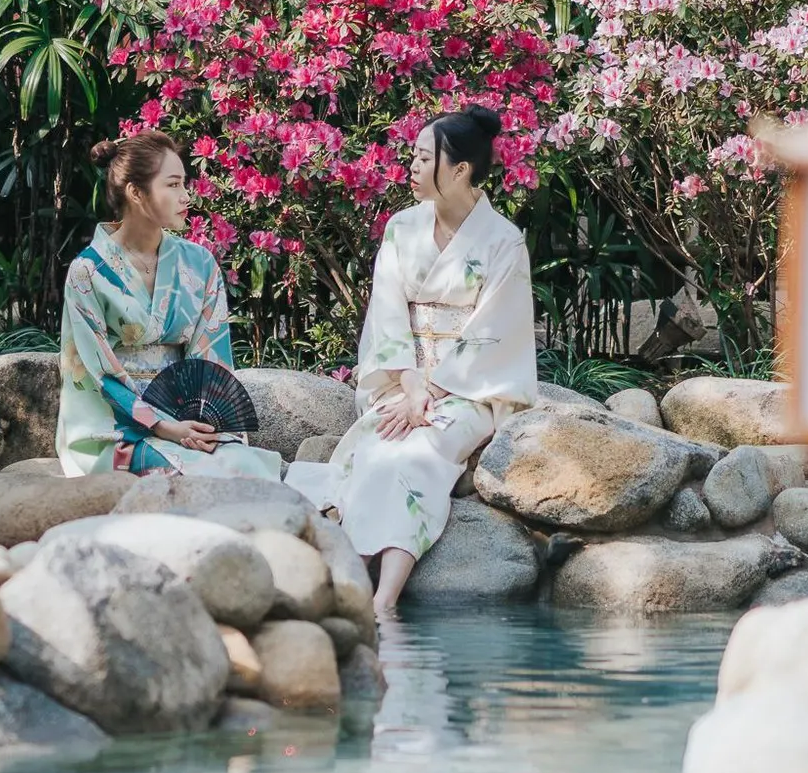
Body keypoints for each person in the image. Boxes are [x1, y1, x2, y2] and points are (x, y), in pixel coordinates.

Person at [284, 107, 537, 613]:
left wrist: (436, 390)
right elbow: (387, 316)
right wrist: (410, 384)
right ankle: (354, 573)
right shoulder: (402, 229)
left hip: (470, 390)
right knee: (378, 450)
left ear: (460, 169)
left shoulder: (503, 241)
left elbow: (494, 330)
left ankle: (383, 598)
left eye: (424, 158)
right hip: (403, 384)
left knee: (419, 454)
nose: (412, 168)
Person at [56, 131, 284, 480]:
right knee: (189, 474)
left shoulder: (199, 264)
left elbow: (211, 359)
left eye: (184, 184)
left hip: (186, 416)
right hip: (118, 426)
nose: (186, 196)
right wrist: (161, 425)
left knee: (244, 465)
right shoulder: (88, 272)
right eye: (173, 185)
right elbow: (95, 374)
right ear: (136, 192)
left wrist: (204, 424)